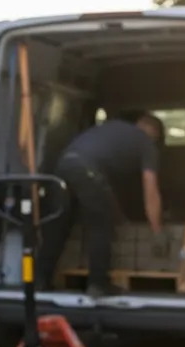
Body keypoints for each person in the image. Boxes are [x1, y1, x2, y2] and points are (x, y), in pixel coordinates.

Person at [39, 113, 169, 298]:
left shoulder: (113, 127)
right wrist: (156, 230)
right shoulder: (146, 144)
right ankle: (98, 284)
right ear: (155, 134)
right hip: (88, 170)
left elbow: (107, 188)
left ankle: (40, 280)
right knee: (101, 224)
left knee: (58, 227)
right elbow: (151, 190)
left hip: (64, 165)